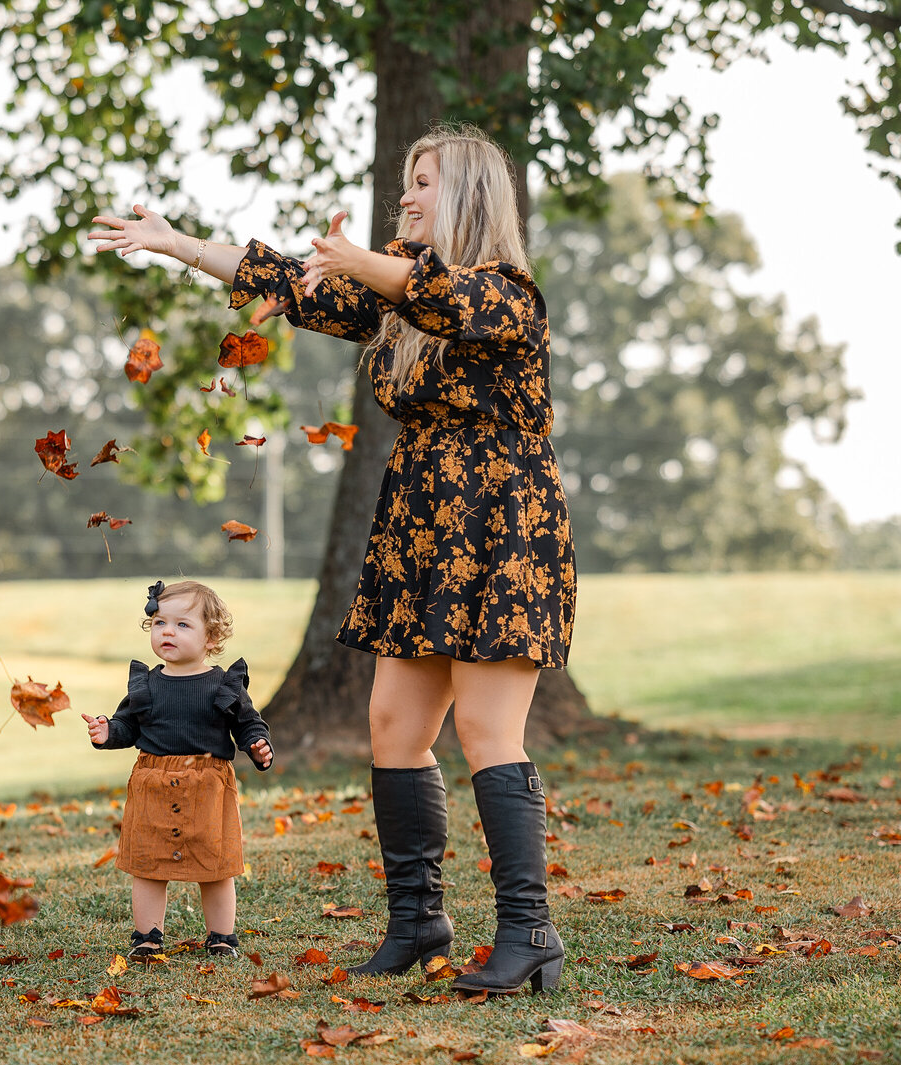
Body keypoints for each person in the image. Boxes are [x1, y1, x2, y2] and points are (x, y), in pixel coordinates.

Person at [88, 125, 574, 994]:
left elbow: (445, 298)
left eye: (423, 184)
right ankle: (419, 921)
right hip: (422, 526)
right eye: (405, 184)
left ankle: (528, 932)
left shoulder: (507, 295)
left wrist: (357, 256)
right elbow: (286, 280)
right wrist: (176, 243)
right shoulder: (395, 302)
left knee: (486, 730)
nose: (408, 197)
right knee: (394, 729)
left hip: (501, 526)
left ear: (467, 196)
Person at [82, 580, 274, 959]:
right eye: (159, 623)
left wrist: (257, 744)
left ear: (211, 636)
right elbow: (128, 726)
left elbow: (248, 724)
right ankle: (147, 937)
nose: (167, 631)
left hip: (209, 787)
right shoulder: (147, 685)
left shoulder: (224, 684)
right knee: (149, 865)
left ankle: (221, 937)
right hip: (152, 784)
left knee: (216, 865)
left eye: (182, 625)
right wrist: (108, 732)